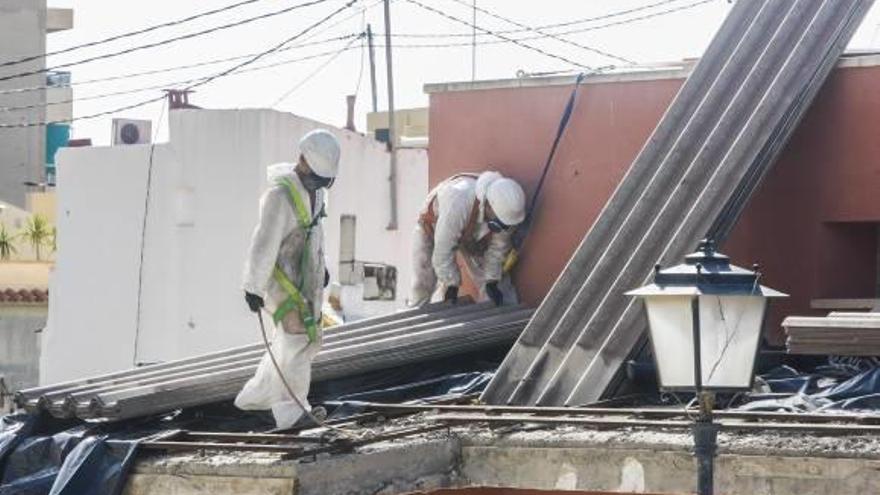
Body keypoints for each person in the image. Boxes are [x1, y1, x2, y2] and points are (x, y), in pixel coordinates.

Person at [235, 129, 340, 428]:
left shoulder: (317, 192)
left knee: (307, 340)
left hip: (305, 277)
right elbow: (263, 243)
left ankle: (257, 396)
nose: (320, 184)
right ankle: (292, 413)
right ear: (303, 161)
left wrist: (323, 267)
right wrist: (252, 286)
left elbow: (316, 234)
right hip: (281, 281)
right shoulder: (279, 196)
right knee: (296, 339)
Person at [410, 171, 526, 307]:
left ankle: (499, 317)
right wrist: (451, 284)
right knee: (422, 283)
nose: (501, 228)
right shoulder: (458, 200)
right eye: (498, 223)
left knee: (499, 285)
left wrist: (492, 280)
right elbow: (443, 250)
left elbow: (497, 249)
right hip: (433, 228)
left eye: (504, 225)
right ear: (488, 204)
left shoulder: (506, 213)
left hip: (471, 233)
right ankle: (414, 318)